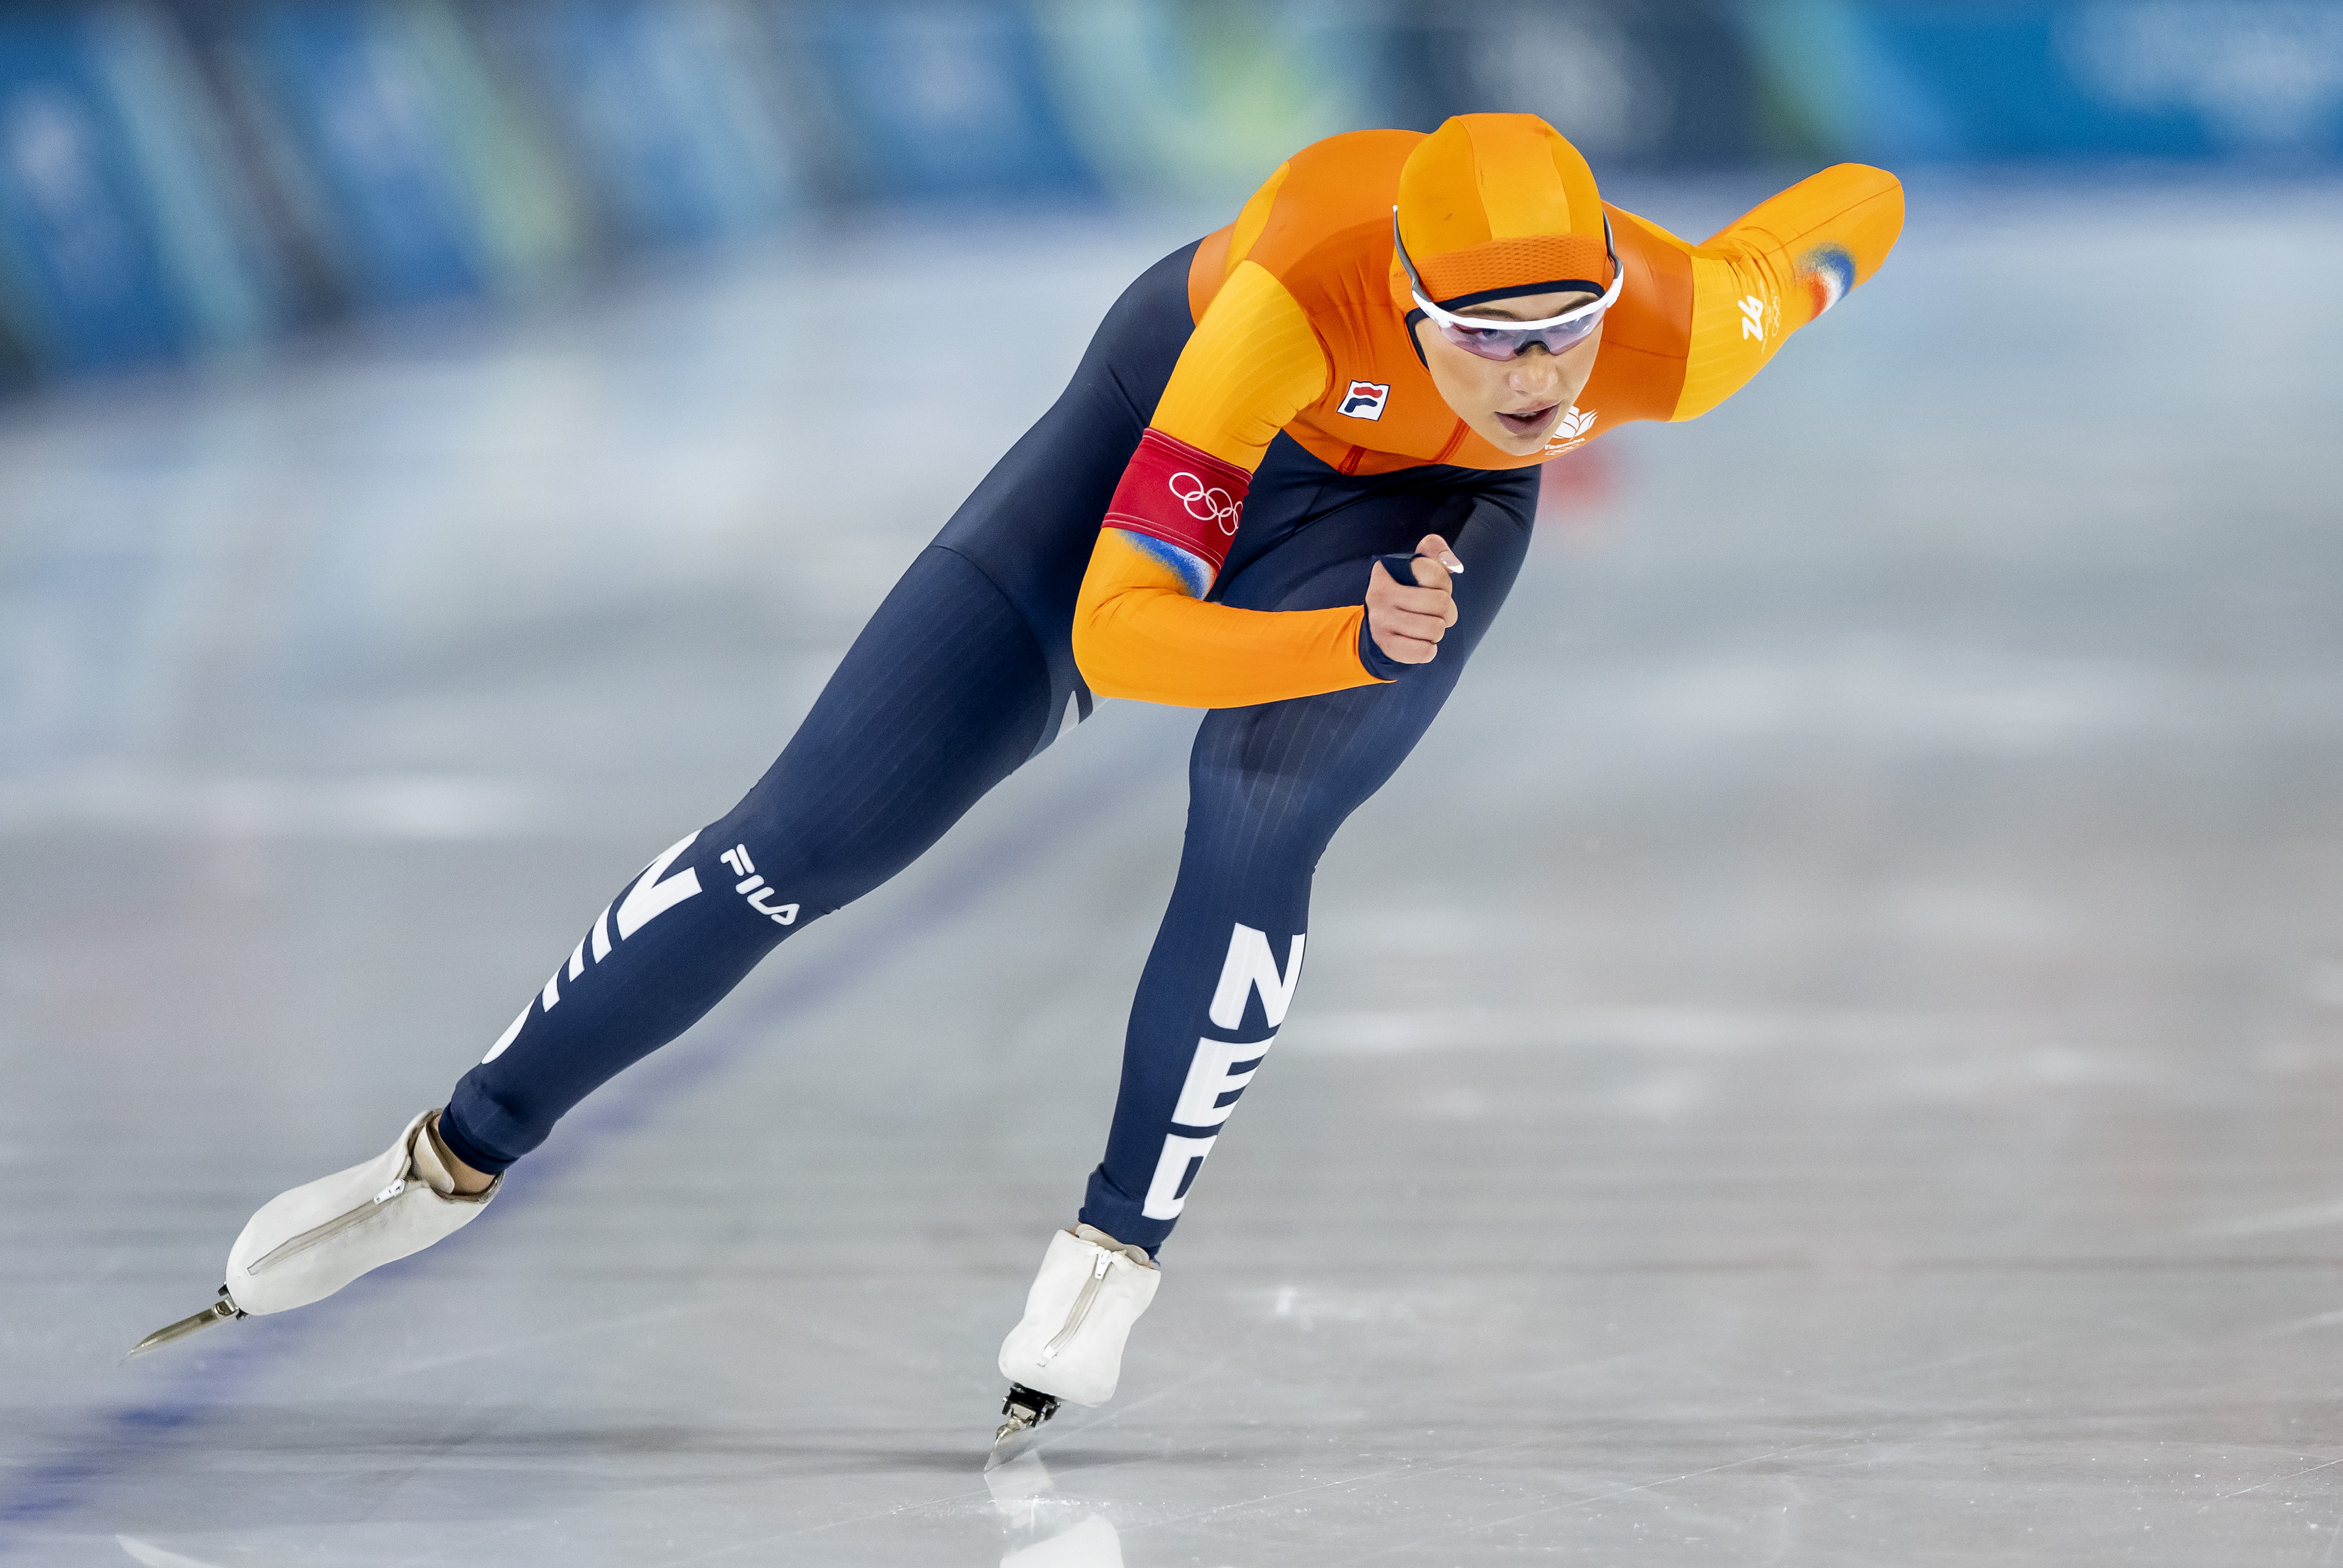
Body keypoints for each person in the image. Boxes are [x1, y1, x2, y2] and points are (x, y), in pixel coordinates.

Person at [132, 114, 1904, 1451]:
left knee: (1266, 822)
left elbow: (1843, 222)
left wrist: (1807, 265)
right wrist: (1340, 642)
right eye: (1491, 338)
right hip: (1172, 429)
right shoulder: (1287, 311)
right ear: (1414, 301)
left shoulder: (1671, 329)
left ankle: (1115, 1249)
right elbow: (1128, 631)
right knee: (806, 836)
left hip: (1409, 524)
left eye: (1567, 329)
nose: (1538, 379)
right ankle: (452, 1152)